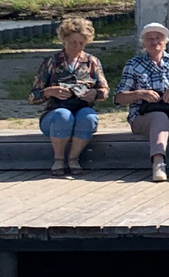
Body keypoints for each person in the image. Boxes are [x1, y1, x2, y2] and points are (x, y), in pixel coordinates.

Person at [115, 22, 169, 183]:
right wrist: (140, 94)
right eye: (150, 39)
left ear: (165, 42)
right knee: (160, 117)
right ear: (143, 43)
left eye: (159, 38)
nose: (154, 42)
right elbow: (118, 98)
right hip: (142, 115)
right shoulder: (133, 64)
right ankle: (158, 164)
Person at [29, 17, 109, 176]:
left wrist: (95, 93)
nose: (77, 46)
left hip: (82, 109)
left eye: (81, 43)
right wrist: (50, 92)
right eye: (73, 42)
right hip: (55, 114)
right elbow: (33, 97)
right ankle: (58, 159)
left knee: (89, 117)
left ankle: (73, 158)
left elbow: (105, 91)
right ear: (64, 40)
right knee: (63, 115)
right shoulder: (51, 62)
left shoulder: (92, 62)